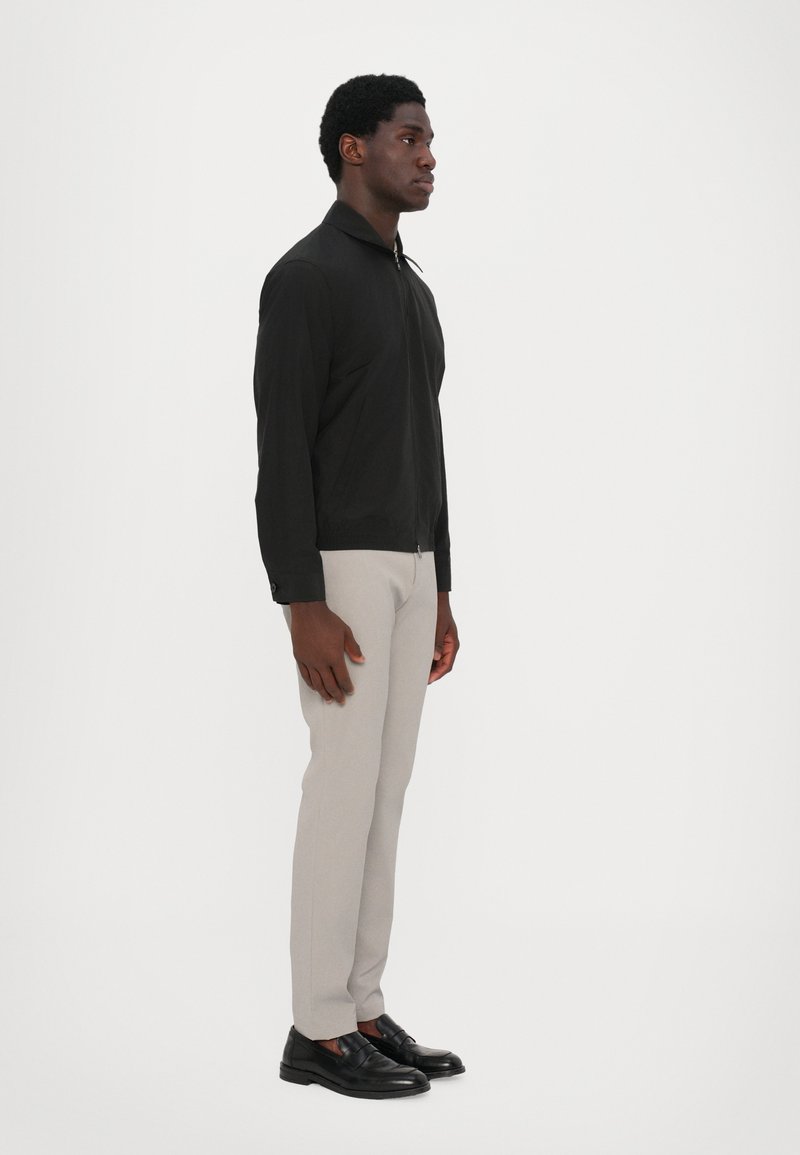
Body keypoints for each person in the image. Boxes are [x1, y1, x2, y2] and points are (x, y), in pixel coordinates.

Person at [252, 73, 464, 1099]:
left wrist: (443, 584)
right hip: (340, 572)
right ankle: (316, 1028)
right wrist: (301, 598)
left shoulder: (411, 289)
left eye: (429, 139)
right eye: (408, 137)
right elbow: (281, 447)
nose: (428, 155)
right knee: (341, 793)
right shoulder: (306, 277)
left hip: (411, 569)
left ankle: (363, 1008)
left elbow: (427, 444)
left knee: (384, 796)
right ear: (353, 148)